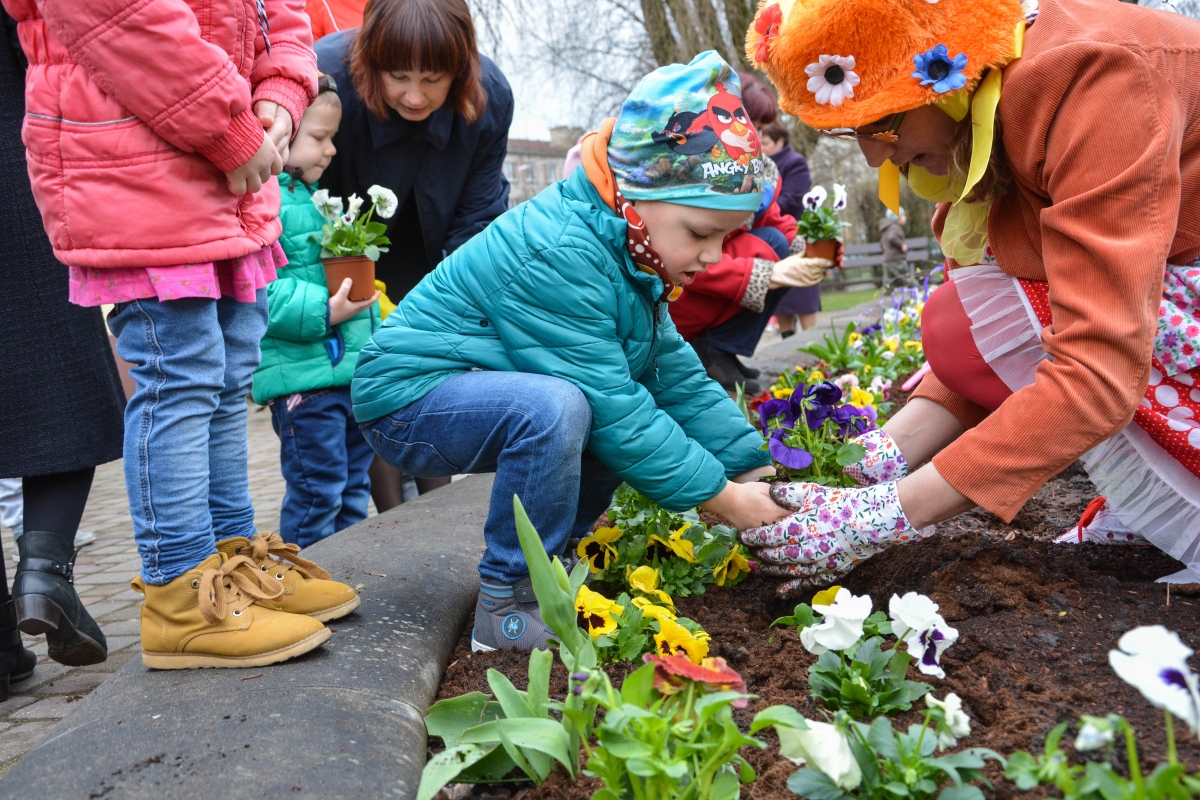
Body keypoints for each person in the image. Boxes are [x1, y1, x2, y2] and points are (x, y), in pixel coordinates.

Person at [739, 0, 1200, 592]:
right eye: (854, 133)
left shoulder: (1091, 79)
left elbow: (1099, 366)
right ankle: (1154, 500)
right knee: (957, 320)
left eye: (883, 123)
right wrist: (876, 461)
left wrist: (891, 513)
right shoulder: (976, 125)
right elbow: (975, 348)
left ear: (943, 75)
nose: (877, 157)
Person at [353, 52, 790, 651]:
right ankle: (507, 606)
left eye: (726, 237)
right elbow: (611, 407)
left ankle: (551, 569)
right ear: (637, 198)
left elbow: (674, 377)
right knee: (565, 408)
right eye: (699, 233)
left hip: (473, 388)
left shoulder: (627, 247)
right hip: (408, 400)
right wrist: (728, 501)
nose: (714, 256)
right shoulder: (563, 248)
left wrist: (753, 467)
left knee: (600, 404)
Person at [3, 0, 360, 668]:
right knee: (181, 377)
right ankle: (179, 597)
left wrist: (281, 95)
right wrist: (231, 126)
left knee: (227, 378)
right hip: (135, 164)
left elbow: (277, 12)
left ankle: (232, 565)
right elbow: (120, 20)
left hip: (231, 169)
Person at [315, 0, 514, 510]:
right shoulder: (327, 73)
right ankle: (389, 516)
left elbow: (479, 215)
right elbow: (302, 195)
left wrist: (457, 306)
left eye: (433, 79)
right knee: (367, 369)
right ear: (371, 61)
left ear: (461, 68)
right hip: (344, 246)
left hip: (437, 241)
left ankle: (435, 508)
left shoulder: (489, 98)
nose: (414, 95)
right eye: (398, 76)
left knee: (429, 365)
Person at [253, 75, 381, 550]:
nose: (330, 151)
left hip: (339, 373)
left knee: (352, 487)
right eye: (319, 138)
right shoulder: (264, 200)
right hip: (303, 383)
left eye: (332, 139)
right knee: (317, 491)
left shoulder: (308, 198)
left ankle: (345, 573)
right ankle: (305, 576)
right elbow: (263, 291)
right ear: (282, 132)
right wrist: (327, 311)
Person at [670, 159, 838, 394]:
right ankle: (711, 349)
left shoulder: (759, 174)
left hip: (708, 285)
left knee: (776, 239)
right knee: (773, 242)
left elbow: (777, 223)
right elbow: (684, 257)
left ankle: (721, 348)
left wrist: (818, 247)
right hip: (682, 300)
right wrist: (766, 275)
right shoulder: (705, 175)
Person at [760, 120, 821, 333]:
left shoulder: (795, 162)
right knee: (782, 302)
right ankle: (787, 345)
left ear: (780, 141)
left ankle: (813, 349)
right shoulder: (760, 165)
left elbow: (794, 198)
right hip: (774, 237)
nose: (761, 146)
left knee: (803, 296)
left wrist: (762, 208)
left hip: (797, 235)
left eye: (766, 142)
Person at [879, 207, 914, 289]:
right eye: (903, 215)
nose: (905, 217)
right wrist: (901, 245)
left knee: (888, 285)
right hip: (896, 260)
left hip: (888, 260)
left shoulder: (887, 228)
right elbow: (892, 238)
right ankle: (920, 293)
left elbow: (882, 243)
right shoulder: (895, 228)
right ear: (897, 218)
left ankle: (884, 299)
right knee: (908, 279)